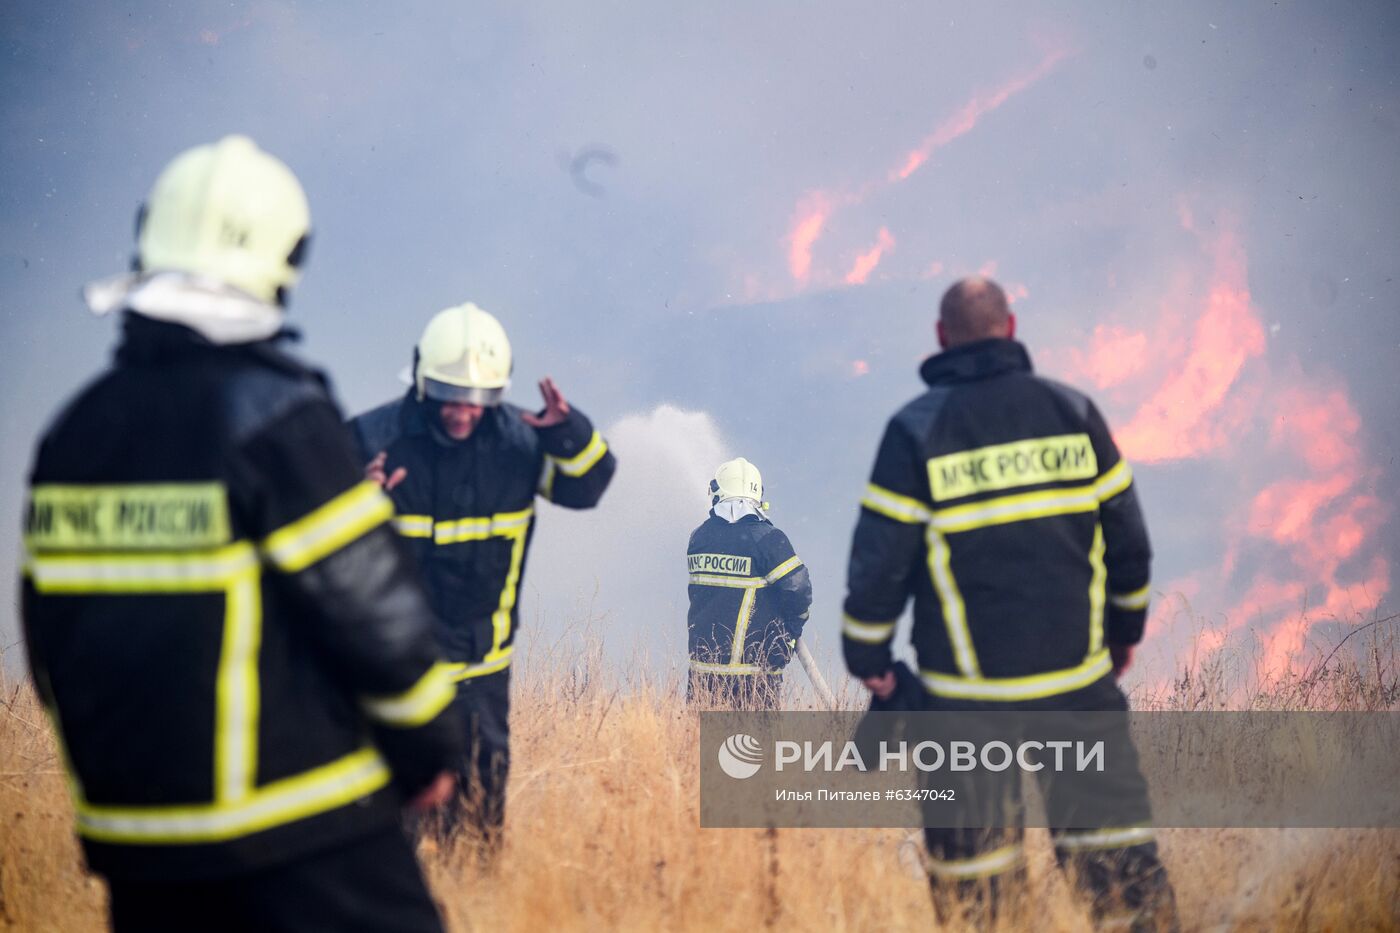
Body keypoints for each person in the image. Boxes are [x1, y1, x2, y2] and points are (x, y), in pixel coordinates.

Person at [20, 136, 463, 933]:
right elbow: (374, 612)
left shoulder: (73, 437)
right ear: (283, 257)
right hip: (301, 835)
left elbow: (48, 636)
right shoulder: (276, 420)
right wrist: (430, 748)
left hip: (143, 852)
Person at [841, 277, 1178, 930]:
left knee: (977, 888)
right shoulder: (1073, 410)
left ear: (942, 337)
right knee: (1120, 871)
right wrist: (1123, 630)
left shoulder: (915, 428)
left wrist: (867, 653)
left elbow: (880, 561)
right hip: (1078, 687)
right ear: (1012, 326)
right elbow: (1129, 543)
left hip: (964, 701)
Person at [350, 303, 616, 853]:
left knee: (480, 815)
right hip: (400, 668)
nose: (463, 412)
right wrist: (356, 500)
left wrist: (569, 433)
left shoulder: (519, 445)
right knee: (395, 817)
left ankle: (479, 900)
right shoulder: (373, 441)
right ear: (422, 382)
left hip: (482, 667)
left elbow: (586, 489)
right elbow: (307, 537)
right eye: (450, 397)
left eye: (479, 400)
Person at [686, 458, 813, 709]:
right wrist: (791, 630)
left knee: (699, 744)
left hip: (702, 673)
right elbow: (797, 590)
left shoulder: (699, 538)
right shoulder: (767, 540)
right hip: (753, 675)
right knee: (755, 745)